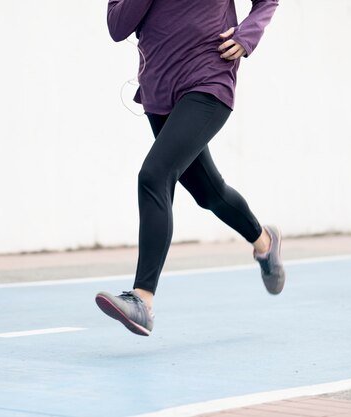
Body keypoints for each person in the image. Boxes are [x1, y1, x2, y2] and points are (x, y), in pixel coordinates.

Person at [95, 0, 284, 336]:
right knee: (209, 193)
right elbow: (117, 27)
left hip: (209, 80)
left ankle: (142, 300)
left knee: (155, 174)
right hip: (159, 90)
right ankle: (264, 241)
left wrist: (247, 35)